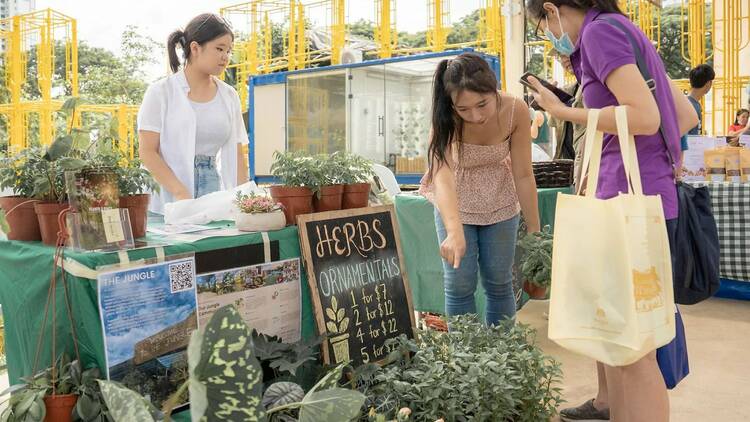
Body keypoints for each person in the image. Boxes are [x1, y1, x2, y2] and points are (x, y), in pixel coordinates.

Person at [525, 1, 699, 421]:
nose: (548, 33)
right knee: (624, 344)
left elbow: (644, 116)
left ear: (551, 9)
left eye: (542, 24)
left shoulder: (600, 34)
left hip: (626, 199)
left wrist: (564, 111)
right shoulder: (623, 29)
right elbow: (685, 116)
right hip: (649, 199)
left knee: (632, 350)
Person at [419, 52, 541, 327]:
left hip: (500, 197)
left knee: (500, 281)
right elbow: (443, 177)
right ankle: (466, 361)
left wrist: (534, 229)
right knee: (459, 283)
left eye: (482, 104)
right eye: (464, 109)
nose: (475, 116)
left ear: (494, 87)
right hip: (455, 202)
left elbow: (523, 174)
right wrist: (453, 231)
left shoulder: (515, 110)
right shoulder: (444, 118)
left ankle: (502, 358)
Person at [138, 13, 249, 213]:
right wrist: (180, 192)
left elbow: (237, 153)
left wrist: (245, 202)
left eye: (229, 50)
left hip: (211, 192)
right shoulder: (160, 92)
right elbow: (147, 151)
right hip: (166, 194)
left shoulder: (229, 95)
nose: (225, 57)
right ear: (195, 48)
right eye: (219, 48)